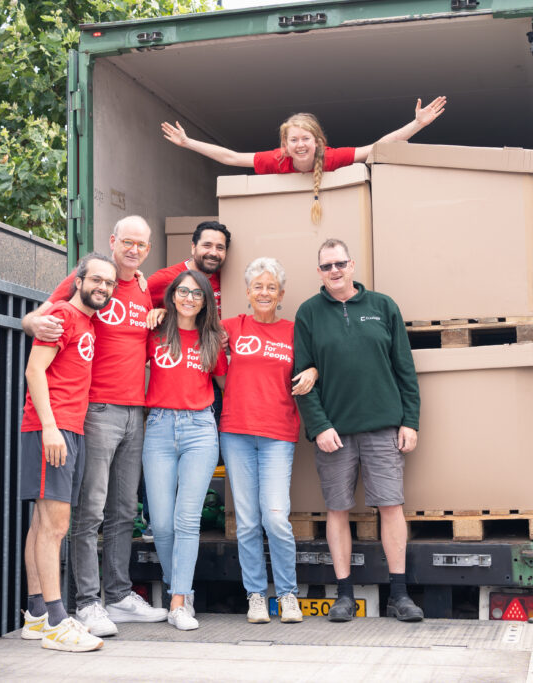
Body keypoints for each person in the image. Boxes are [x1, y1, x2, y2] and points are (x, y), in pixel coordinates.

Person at [22, 215, 168, 638]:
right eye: (127, 242)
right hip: (94, 411)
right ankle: (87, 601)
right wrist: (32, 323)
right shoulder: (90, 281)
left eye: (142, 244)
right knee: (89, 512)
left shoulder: (144, 286)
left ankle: (119, 595)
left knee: (124, 510)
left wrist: (156, 313)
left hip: (134, 411)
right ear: (112, 241)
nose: (134, 250)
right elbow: (41, 318)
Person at [293, 238, 423, 623]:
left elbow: (405, 371)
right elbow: (301, 377)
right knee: (337, 510)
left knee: (390, 506)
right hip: (334, 433)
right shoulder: (309, 314)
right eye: (327, 266)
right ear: (319, 272)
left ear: (352, 266)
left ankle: (399, 596)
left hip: (383, 428)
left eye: (340, 263)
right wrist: (318, 427)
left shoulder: (383, 307)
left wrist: (410, 421)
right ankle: (344, 595)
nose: (334, 271)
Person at [19, 252, 116, 652]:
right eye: (96, 280)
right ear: (78, 281)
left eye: (109, 283)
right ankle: (59, 622)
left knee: (43, 524)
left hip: (66, 428)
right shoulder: (61, 314)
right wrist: (50, 428)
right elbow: (34, 370)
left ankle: (37, 615)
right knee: (57, 526)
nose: (103, 288)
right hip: (53, 430)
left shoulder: (85, 322)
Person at [219, 257, 319, 624]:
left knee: (275, 518)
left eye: (271, 287)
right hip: (236, 432)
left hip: (278, 434)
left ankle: (288, 594)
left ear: (281, 294)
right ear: (247, 292)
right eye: (257, 286)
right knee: (246, 521)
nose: (264, 292)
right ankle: (256, 595)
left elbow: (317, 359)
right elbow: (192, 332)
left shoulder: (294, 331)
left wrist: (312, 369)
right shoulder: (232, 327)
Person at [161, 97, 446, 222]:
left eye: (305, 139)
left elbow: (377, 148)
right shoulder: (277, 160)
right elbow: (232, 157)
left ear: (318, 142)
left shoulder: (331, 158)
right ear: (284, 145)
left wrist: (417, 124)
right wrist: (188, 142)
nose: (300, 145)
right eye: (293, 140)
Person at [142, 270, 229, 631]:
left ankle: (178, 600)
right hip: (159, 427)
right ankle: (181, 587)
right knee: (161, 523)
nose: (189, 297)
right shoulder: (155, 332)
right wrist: (152, 313)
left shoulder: (212, 339)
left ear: (206, 300)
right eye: (183, 291)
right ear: (173, 295)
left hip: (199, 429)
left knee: (186, 519)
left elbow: (226, 377)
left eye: (197, 293)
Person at [148, 220, 230, 317]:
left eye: (220, 248)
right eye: (207, 246)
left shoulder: (226, 278)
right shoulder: (165, 278)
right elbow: (135, 309)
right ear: (193, 247)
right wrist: (164, 314)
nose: (213, 253)